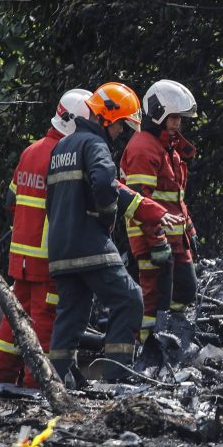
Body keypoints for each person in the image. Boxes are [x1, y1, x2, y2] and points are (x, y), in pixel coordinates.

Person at [44, 81, 178, 383]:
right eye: (120, 126)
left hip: (61, 250)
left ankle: (57, 380)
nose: (120, 133)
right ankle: (118, 376)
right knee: (130, 299)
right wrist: (106, 218)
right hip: (89, 243)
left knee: (70, 316)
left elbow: (51, 203)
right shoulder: (95, 145)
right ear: (107, 118)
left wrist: (152, 212)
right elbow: (106, 185)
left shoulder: (60, 148)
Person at [0, 89, 91, 387]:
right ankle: (37, 391)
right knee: (46, 331)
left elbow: (11, 198)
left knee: (12, 327)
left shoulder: (30, 152)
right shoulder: (66, 158)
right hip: (49, 263)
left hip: (21, 260)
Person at [120, 80, 199, 342]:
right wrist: (156, 242)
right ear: (158, 114)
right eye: (174, 117)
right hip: (151, 238)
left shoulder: (169, 150)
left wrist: (189, 229)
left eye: (180, 117)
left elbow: (176, 199)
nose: (178, 123)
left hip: (174, 238)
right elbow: (141, 202)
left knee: (185, 290)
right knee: (155, 300)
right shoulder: (143, 147)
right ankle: (147, 349)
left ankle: (172, 339)